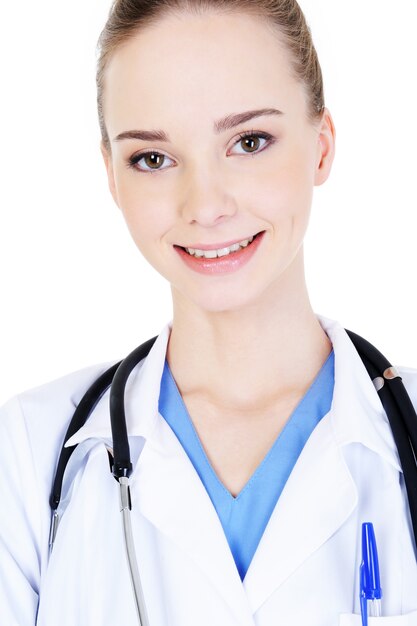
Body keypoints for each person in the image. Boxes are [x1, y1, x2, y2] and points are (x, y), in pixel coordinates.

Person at [1, 1, 417, 624]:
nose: (206, 204)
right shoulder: (31, 454)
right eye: (153, 158)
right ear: (112, 178)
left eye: (249, 142)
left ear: (322, 146)